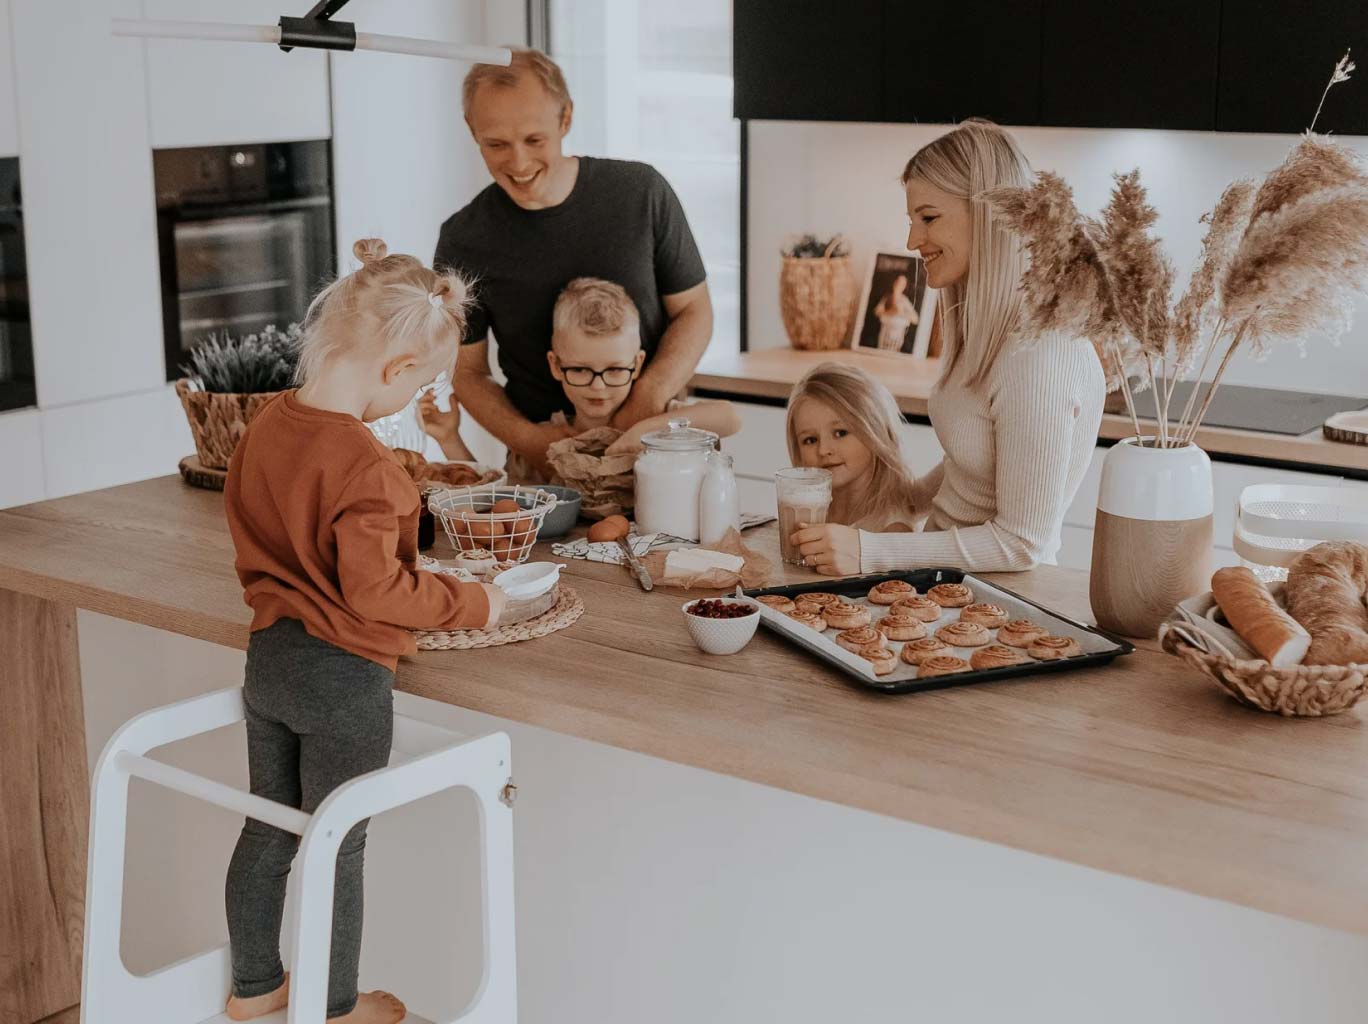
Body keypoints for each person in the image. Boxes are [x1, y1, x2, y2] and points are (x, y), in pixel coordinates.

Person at [222, 239, 506, 1024]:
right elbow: (376, 591)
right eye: (421, 384)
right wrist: (475, 602)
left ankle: (255, 989)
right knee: (337, 841)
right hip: (342, 679)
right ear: (395, 372)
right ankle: (338, 1008)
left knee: (271, 824)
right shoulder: (368, 466)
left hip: (269, 661)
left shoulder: (265, 427)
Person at [791, 119, 1105, 576]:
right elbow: (977, 457)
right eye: (912, 220)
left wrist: (870, 551)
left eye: (929, 218)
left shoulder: (1039, 355)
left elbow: (1022, 545)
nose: (913, 241)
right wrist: (902, 499)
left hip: (996, 603)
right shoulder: (985, 328)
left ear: (989, 214)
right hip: (942, 586)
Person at [429, 48, 713, 470]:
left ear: (565, 119)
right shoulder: (463, 239)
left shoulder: (641, 193)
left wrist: (646, 400)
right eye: (497, 144)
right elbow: (468, 372)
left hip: (658, 446)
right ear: (472, 130)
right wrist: (529, 440)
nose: (519, 162)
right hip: (540, 464)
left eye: (534, 140)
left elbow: (694, 312)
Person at [419, 277, 739, 475]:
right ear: (556, 366)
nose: (598, 386)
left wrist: (641, 430)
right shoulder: (544, 444)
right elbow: (492, 503)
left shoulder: (663, 425)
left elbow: (729, 417)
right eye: (580, 370)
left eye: (615, 370)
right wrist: (450, 439)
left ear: (638, 364)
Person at [785, 362, 920, 531]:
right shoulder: (805, 511)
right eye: (810, 440)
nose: (823, 450)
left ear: (874, 430)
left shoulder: (892, 529)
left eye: (840, 433)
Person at [873, 273, 918, 351]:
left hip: (897, 336)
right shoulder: (887, 297)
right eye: (898, 282)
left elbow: (915, 319)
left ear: (904, 286)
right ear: (894, 283)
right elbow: (877, 312)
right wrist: (891, 312)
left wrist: (902, 313)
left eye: (902, 284)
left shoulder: (904, 300)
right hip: (885, 334)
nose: (899, 285)